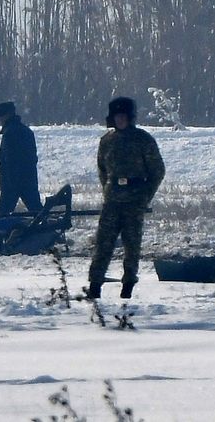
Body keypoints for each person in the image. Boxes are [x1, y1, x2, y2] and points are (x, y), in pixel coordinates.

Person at [88, 97, 165, 299]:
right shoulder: (107, 141)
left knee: (131, 246)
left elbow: (157, 171)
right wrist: (108, 190)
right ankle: (95, 285)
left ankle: (128, 285)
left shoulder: (143, 140)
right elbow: (102, 169)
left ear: (129, 118)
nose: (120, 120)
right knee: (103, 244)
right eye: (117, 116)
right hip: (112, 201)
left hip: (134, 200)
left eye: (123, 116)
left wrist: (145, 196)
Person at [0, 101, 42, 215]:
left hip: (12, 181)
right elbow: (29, 157)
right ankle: (48, 229)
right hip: (29, 178)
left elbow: (11, 160)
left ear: (5, 116)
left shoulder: (9, 133)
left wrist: (2, 158)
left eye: (0, 117)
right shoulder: (26, 131)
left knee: (1, 214)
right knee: (37, 210)